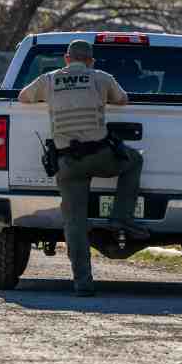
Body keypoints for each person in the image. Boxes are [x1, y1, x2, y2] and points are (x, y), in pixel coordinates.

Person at [17, 39, 147, 297]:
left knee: (74, 223)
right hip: (100, 155)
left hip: (68, 163)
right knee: (134, 161)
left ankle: (83, 283)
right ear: (91, 61)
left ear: (67, 59)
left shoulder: (49, 80)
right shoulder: (101, 77)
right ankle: (121, 217)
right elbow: (123, 100)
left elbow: (22, 97)